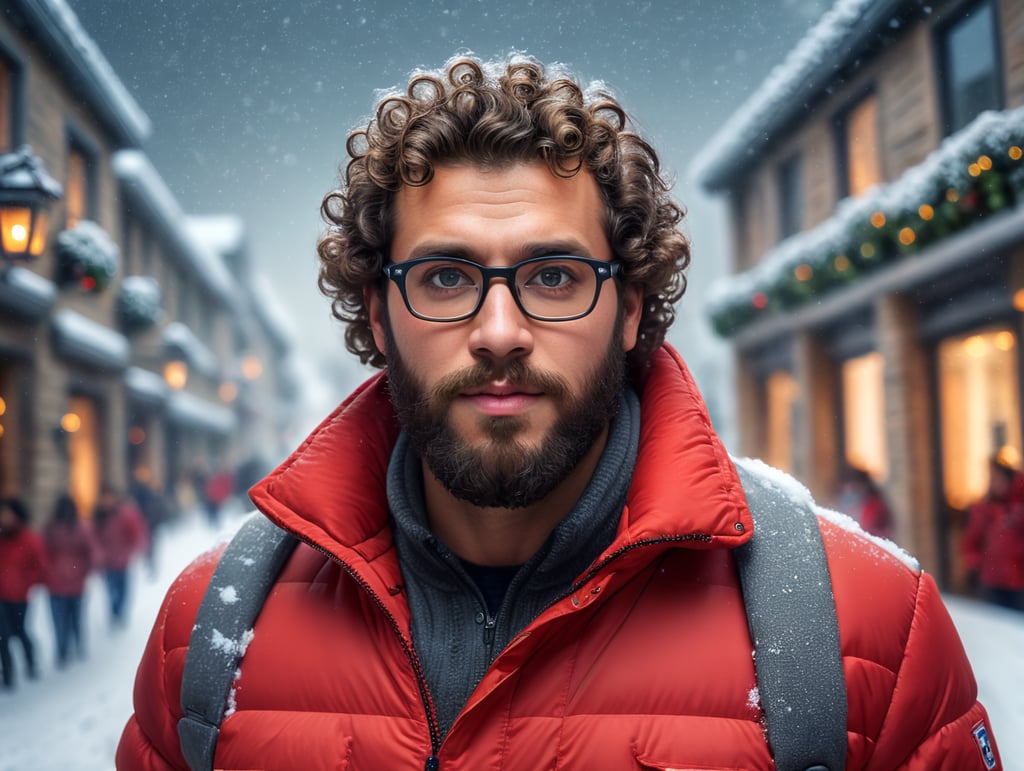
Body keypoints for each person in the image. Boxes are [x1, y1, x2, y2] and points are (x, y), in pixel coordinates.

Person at [118, 55, 1001, 769]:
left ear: (628, 308)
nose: (499, 332)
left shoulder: (870, 629)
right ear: (378, 313)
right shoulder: (210, 630)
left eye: (552, 276)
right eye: (446, 277)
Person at [962, 455, 1024, 612]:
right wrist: (977, 564)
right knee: (996, 629)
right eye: (992, 478)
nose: (994, 483)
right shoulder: (983, 510)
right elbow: (971, 542)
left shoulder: (1019, 508)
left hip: (1018, 582)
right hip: (992, 582)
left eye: (998, 478)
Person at [43, 494, 99, 666]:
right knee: (67, 620)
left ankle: (69, 648)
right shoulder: (53, 529)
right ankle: (64, 649)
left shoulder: (77, 528)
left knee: (69, 619)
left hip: (69, 583)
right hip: (59, 583)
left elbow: (91, 552)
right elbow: (42, 554)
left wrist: (84, 571)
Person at [0, 497, 48, 690]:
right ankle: (8, 672)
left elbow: (39, 565)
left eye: (6, 513)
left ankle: (31, 660)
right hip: (1, 596)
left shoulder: (29, 537)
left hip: (19, 596)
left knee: (19, 631)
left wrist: (25, 582)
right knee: (2, 635)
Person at [92, 484, 148, 627]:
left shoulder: (126, 514)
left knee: (123, 590)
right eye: (104, 497)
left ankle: (121, 612)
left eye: (109, 497)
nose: (107, 501)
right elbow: (93, 537)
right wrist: (99, 553)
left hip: (123, 560)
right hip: (107, 560)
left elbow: (136, 533)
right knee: (110, 590)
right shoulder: (99, 515)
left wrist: (130, 551)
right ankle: (114, 612)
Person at [835, 465, 893, 540]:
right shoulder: (841, 504)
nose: (848, 491)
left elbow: (874, 531)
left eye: (853, 487)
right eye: (845, 487)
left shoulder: (874, 506)